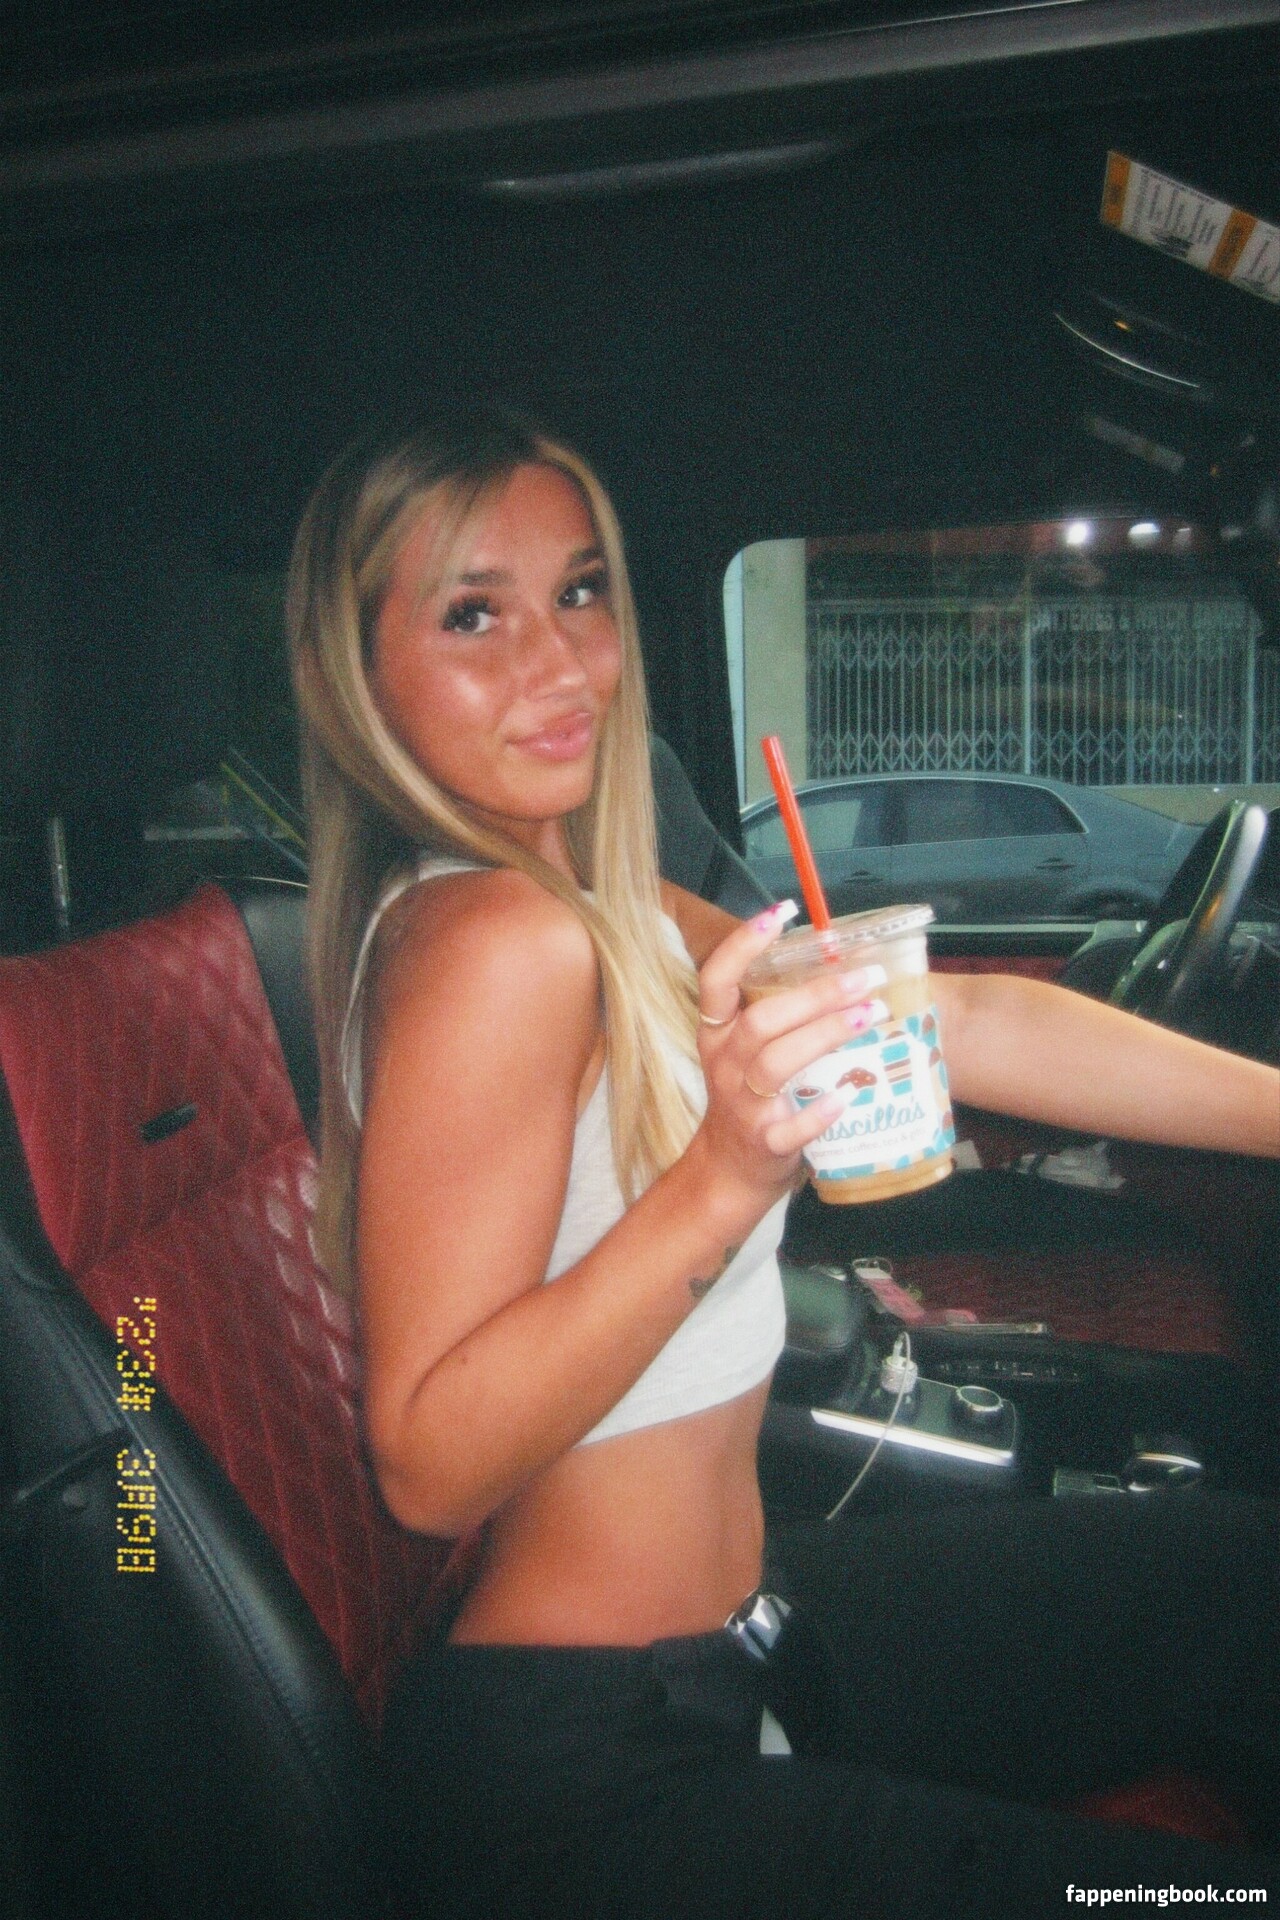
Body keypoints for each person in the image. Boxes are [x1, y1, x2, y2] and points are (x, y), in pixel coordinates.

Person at [287, 410, 1280, 1919]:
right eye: (472, 615)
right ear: (359, 674)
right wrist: (725, 1179)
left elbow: (954, 1018)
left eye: (581, 591)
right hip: (595, 1776)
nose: (560, 662)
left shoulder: (594, 895)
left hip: (745, 1637)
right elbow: (429, 1462)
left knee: (1241, 1583)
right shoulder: (494, 941)